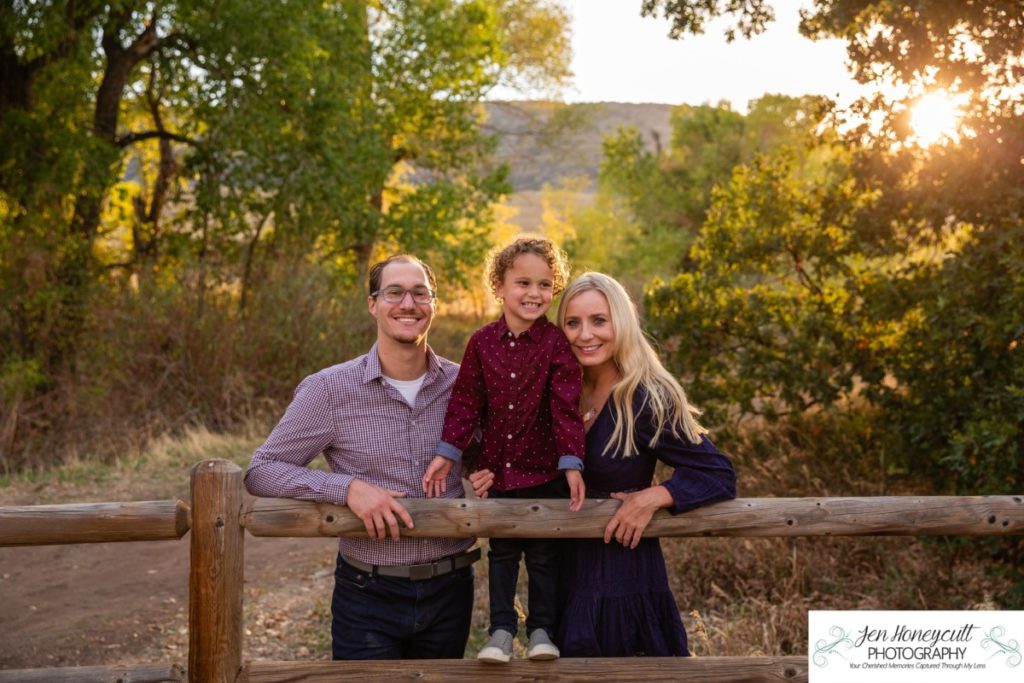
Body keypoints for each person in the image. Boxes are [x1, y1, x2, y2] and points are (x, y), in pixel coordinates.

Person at [470, 271, 737, 657]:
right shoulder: (562, 388)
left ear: (622, 323)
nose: (584, 335)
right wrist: (489, 468)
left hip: (620, 582)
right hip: (560, 578)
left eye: (599, 321)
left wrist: (655, 497)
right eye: (572, 323)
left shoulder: (645, 396)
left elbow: (717, 473)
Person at [244, 254, 480, 660]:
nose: (408, 304)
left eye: (420, 293)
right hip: (368, 593)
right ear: (373, 304)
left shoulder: (467, 385)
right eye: (394, 292)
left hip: (451, 587)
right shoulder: (330, 390)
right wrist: (346, 488)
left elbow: (492, 456)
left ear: (434, 304)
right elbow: (261, 471)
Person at [421, 236, 586, 664]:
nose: (535, 294)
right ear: (498, 285)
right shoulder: (481, 343)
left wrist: (571, 465)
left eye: (545, 285)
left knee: (546, 556)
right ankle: (499, 631)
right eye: (523, 283)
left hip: (546, 474)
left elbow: (566, 407)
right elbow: (466, 404)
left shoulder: (556, 345)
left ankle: (542, 632)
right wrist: (448, 452)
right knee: (503, 555)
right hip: (501, 475)